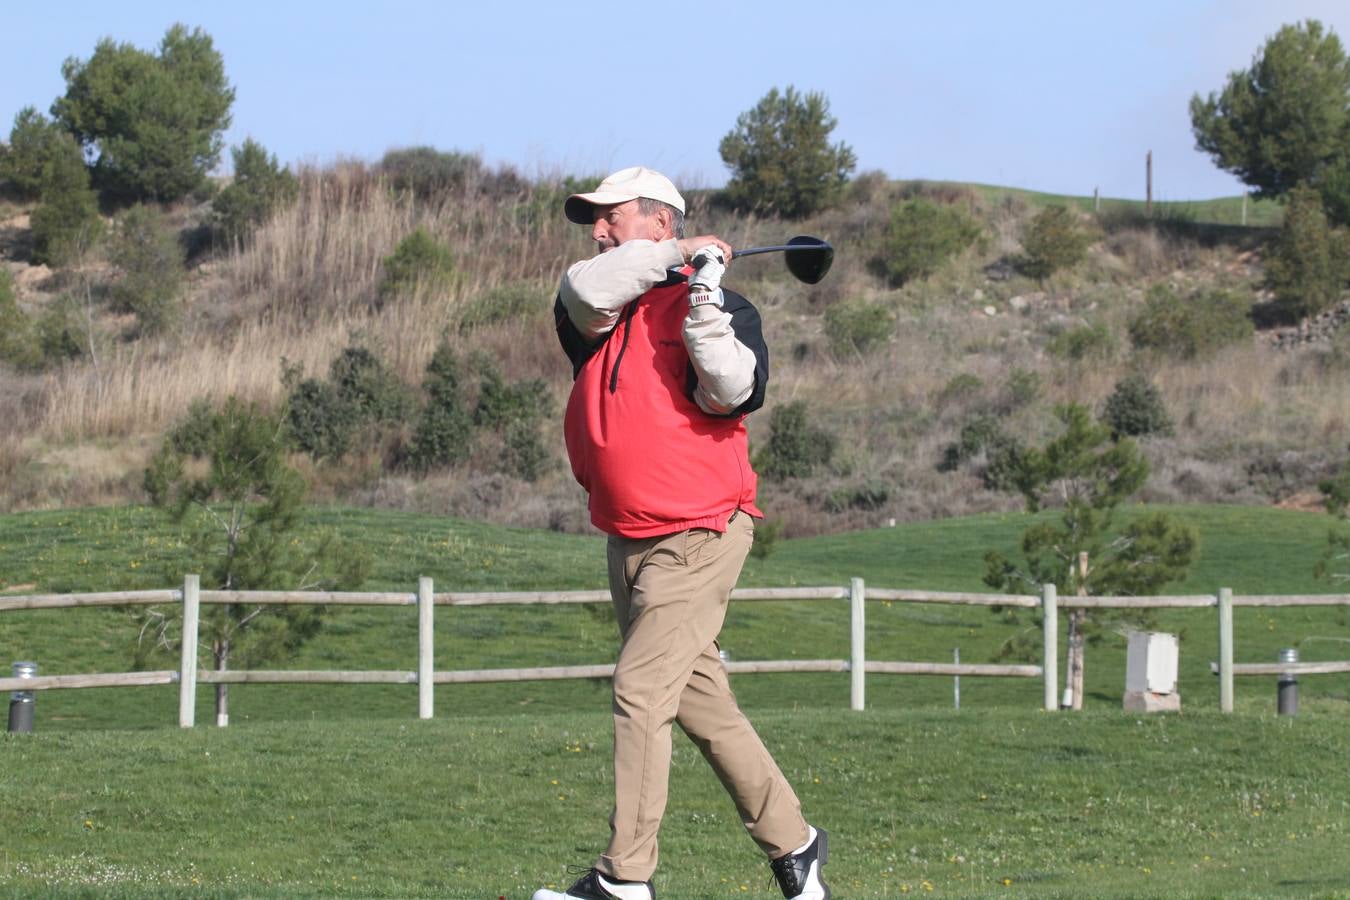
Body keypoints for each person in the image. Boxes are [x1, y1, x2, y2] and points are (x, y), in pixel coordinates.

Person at [532, 167, 830, 900]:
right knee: (702, 704)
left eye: (613, 217)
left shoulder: (727, 308)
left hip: (699, 535)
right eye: (592, 221)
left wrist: (702, 296)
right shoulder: (593, 310)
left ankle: (624, 879)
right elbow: (587, 283)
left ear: (659, 220)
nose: (598, 231)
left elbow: (730, 390)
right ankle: (796, 843)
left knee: (639, 690)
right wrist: (682, 256)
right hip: (628, 540)